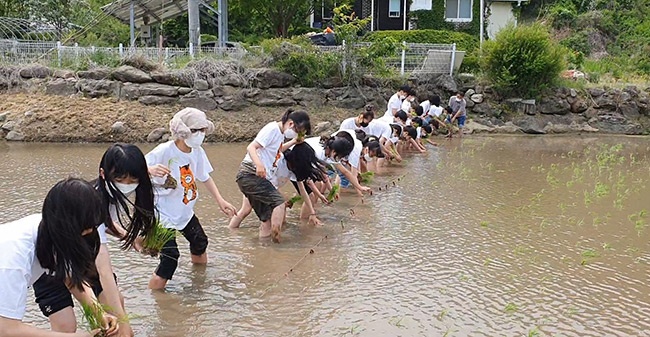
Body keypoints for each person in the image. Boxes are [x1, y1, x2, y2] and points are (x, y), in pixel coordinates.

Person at [32, 144, 156, 336]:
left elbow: (104, 224)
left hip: (82, 257)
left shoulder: (109, 194)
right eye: (120, 179)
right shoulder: (91, 203)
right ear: (103, 173)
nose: (127, 184)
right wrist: (124, 325)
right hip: (51, 258)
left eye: (133, 179)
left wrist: (130, 238)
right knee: (66, 327)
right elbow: (104, 270)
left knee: (113, 305)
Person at [0, 178, 118, 337]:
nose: (86, 237)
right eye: (83, 231)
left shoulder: (50, 231)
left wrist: (99, 313)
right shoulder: (13, 259)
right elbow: (7, 329)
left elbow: (70, 279)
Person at [146, 108, 238, 289]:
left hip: (184, 211)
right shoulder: (164, 150)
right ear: (183, 132)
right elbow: (134, 167)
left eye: (203, 131)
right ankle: (156, 298)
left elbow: (205, 177)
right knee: (170, 259)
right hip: (162, 215)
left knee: (200, 242)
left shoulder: (197, 151)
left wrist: (220, 200)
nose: (200, 135)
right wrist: (149, 170)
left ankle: (199, 283)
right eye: (196, 131)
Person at [233, 109, 311, 243]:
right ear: (291, 124)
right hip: (251, 173)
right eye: (298, 131)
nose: (297, 134)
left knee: (266, 220)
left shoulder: (279, 135)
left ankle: (264, 248)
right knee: (279, 203)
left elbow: (278, 150)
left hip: (255, 177)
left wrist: (293, 142)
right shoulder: (272, 129)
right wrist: (259, 165)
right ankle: (276, 240)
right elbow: (251, 147)